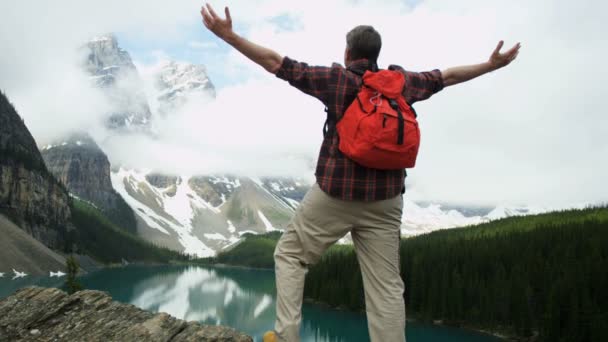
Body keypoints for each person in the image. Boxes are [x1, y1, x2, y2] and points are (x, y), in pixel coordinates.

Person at [200, 4, 520, 342]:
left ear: (348, 51)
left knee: (290, 254)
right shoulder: (403, 84)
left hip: (335, 195)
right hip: (386, 202)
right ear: (377, 54)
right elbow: (447, 77)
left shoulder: (336, 80)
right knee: (386, 287)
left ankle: (285, 337)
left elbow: (276, 63)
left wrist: (230, 36)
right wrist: (490, 65)